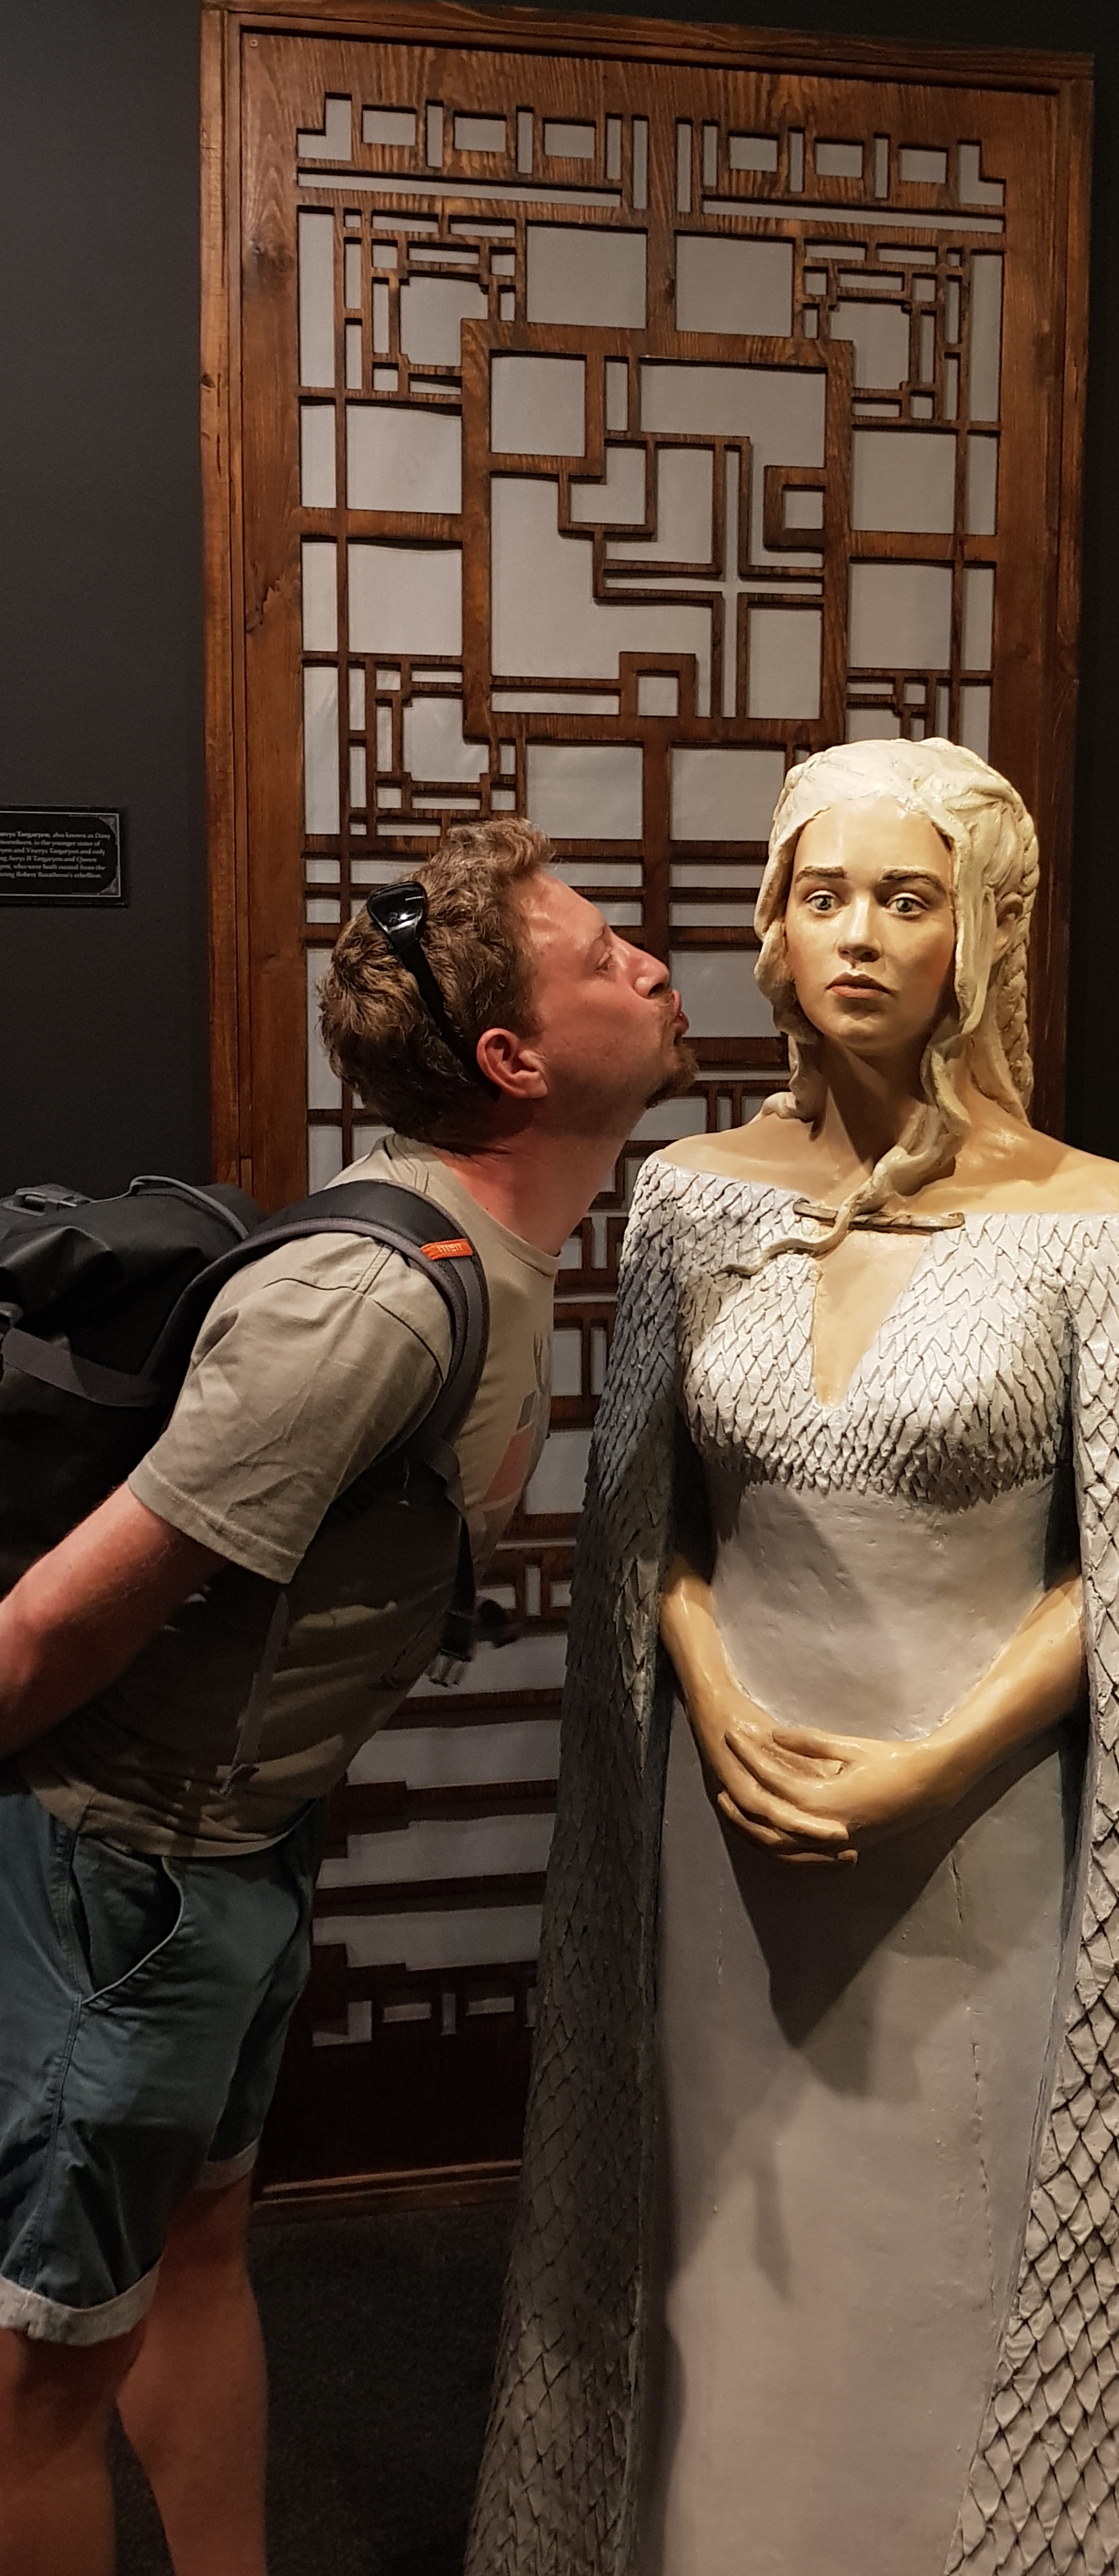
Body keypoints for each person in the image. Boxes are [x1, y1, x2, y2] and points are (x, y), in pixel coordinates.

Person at [468, 741, 1119, 2576]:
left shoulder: (1101, 1222)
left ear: (982, 930)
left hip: (977, 1830)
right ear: (774, 925)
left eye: (909, 899)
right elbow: (642, 1526)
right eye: (823, 895)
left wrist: (938, 1758)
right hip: (722, 1823)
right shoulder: (693, 1199)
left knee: (955, 2231)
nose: (860, 936)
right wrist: (712, 1684)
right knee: (716, 2230)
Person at [0, 814, 691, 2576]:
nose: (650, 964)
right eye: (601, 954)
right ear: (513, 1059)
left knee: (200, 2255)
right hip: (120, 1872)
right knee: (39, 2375)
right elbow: (46, 1635)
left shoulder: (500, 1261)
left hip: (238, 1858)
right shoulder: (368, 1310)